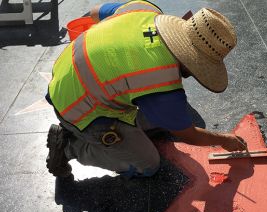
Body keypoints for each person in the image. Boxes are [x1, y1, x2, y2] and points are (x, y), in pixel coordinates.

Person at [46, 0, 247, 179]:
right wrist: (225, 140)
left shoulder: (144, 9)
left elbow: (95, 12)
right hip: (78, 109)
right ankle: (69, 147)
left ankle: (122, 128)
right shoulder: (160, 79)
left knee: (174, 115)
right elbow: (189, 135)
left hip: (65, 71)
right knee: (148, 164)